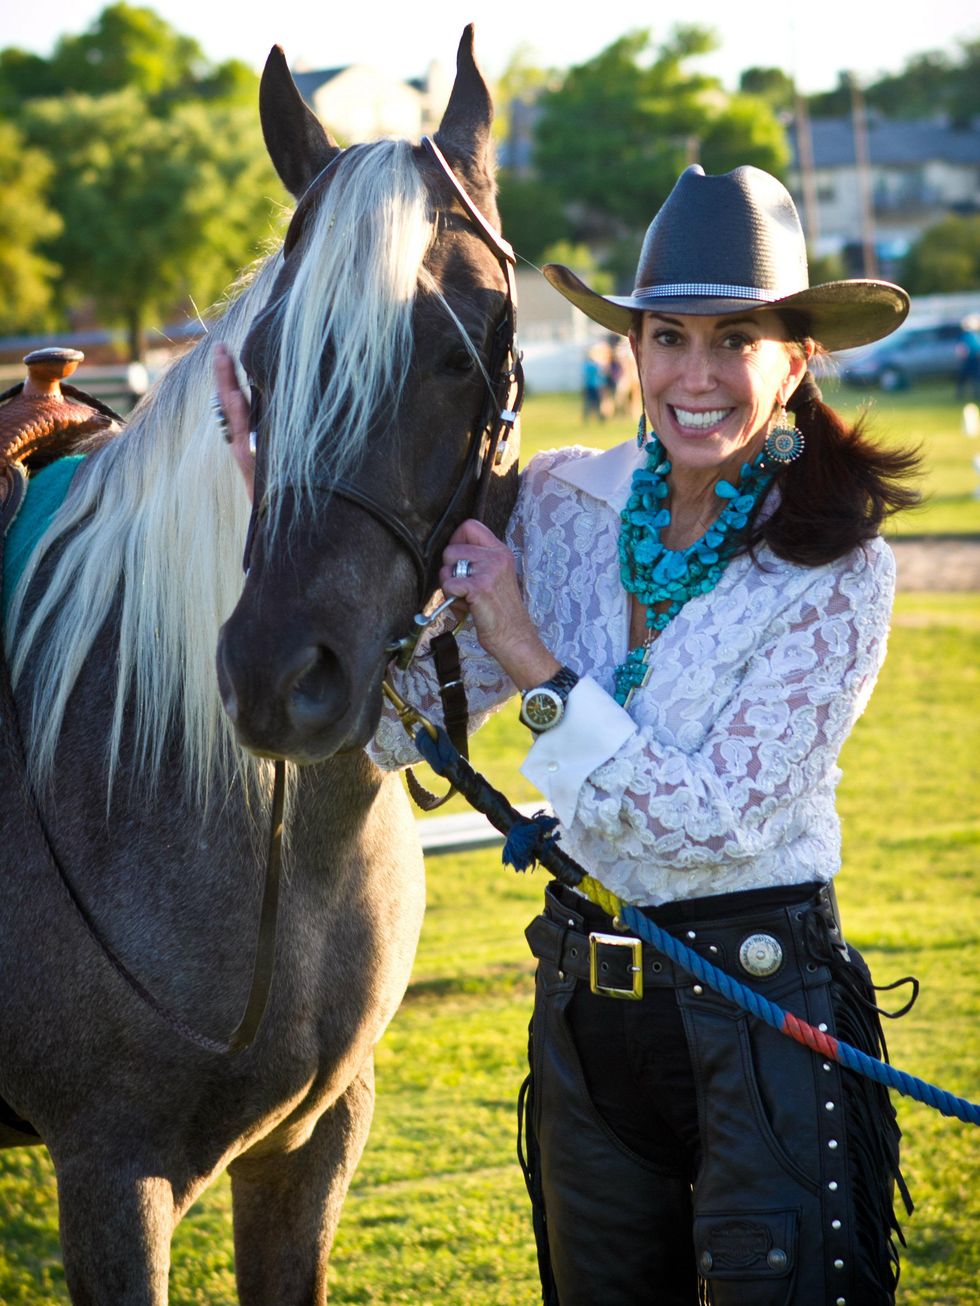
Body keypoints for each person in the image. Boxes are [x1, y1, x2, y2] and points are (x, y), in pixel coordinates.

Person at [217, 165, 920, 1305]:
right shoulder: (558, 505)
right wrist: (284, 495)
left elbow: (712, 821)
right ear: (631, 352)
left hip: (756, 1010)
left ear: (794, 362)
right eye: (666, 337)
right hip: (585, 1019)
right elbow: (401, 734)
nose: (693, 376)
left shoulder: (837, 568)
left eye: (730, 341)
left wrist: (534, 658)